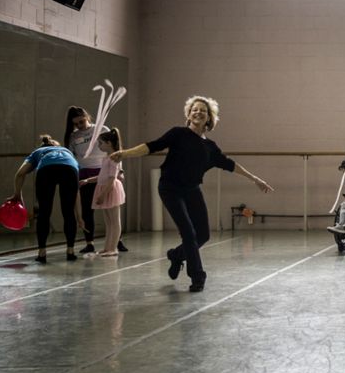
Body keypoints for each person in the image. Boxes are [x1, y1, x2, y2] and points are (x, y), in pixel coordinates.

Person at [112, 96, 273, 292]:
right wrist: (125, 153)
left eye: (202, 111)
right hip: (170, 188)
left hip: (192, 189)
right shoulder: (178, 134)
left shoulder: (211, 147)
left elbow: (230, 165)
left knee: (203, 235)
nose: (198, 112)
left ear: (209, 119)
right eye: (194, 110)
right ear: (189, 115)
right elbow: (152, 146)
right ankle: (198, 276)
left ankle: (176, 255)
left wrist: (255, 178)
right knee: (188, 232)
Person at [5, 134, 81, 263]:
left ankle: (42, 253)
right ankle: (70, 251)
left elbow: (20, 174)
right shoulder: (67, 151)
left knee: (44, 213)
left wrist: (17, 195)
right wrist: (80, 216)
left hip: (46, 170)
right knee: (68, 212)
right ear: (56, 146)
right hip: (70, 170)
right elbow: (76, 192)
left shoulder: (38, 152)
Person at [65, 106, 128, 254]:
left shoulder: (102, 129)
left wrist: (120, 170)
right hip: (86, 172)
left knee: (111, 211)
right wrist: (82, 178)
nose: (80, 125)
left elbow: (116, 150)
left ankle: (116, 242)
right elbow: (72, 156)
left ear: (87, 117)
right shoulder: (73, 137)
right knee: (88, 209)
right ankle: (90, 243)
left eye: (82, 121)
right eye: (76, 124)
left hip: (104, 169)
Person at [80, 128, 127, 257]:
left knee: (115, 221)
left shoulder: (114, 158)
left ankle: (113, 248)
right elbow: (102, 176)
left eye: (100, 143)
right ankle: (107, 248)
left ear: (109, 143)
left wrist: (103, 194)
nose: (99, 146)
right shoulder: (106, 158)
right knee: (108, 222)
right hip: (104, 187)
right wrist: (88, 180)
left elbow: (112, 179)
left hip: (110, 190)